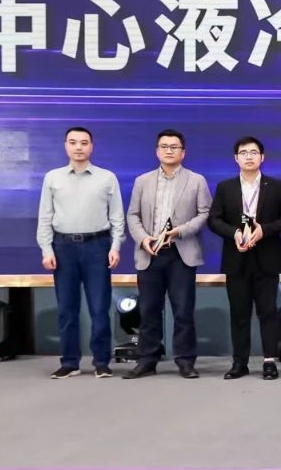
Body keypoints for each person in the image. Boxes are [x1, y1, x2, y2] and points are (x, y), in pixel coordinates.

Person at [36, 126, 125, 379]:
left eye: (84, 143)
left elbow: (117, 217)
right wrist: (46, 249)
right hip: (63, 247)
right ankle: (70, 362)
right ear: (65, 146)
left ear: (91, 147)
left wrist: (115, 247)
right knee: (67, 309)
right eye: (73, 142)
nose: (78, 147)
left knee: (99, 308)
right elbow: (45, 216)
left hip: (97, 246)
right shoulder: (52, 178)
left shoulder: (107, 178)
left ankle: (101, 362)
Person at [123, 129, 212, 379]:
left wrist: (181, 231)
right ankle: (147, 360)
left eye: (174, 147)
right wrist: (143, 239)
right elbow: (133, 215)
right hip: (150, 253)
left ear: (183, 152)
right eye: (164, 146)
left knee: (183, 310)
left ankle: (185, 360)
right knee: (149, 310)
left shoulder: (196, 180)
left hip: (181, 253)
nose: (169, 151)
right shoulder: (142, 181)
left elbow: (205, 213)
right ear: (157, 151)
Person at [209, 136, 281, 380]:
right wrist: (235, 233)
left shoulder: (276, 186)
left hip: (267, 258)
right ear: (236, 158)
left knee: (268, 312)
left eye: (253, 152)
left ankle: (269, 361)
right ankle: (240, 362)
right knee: (239, 312)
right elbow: (214, 220)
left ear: (262, 157)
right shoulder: (225, 187)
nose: (249, 157)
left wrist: (264, 230)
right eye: (243, 153)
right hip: (236, 258)